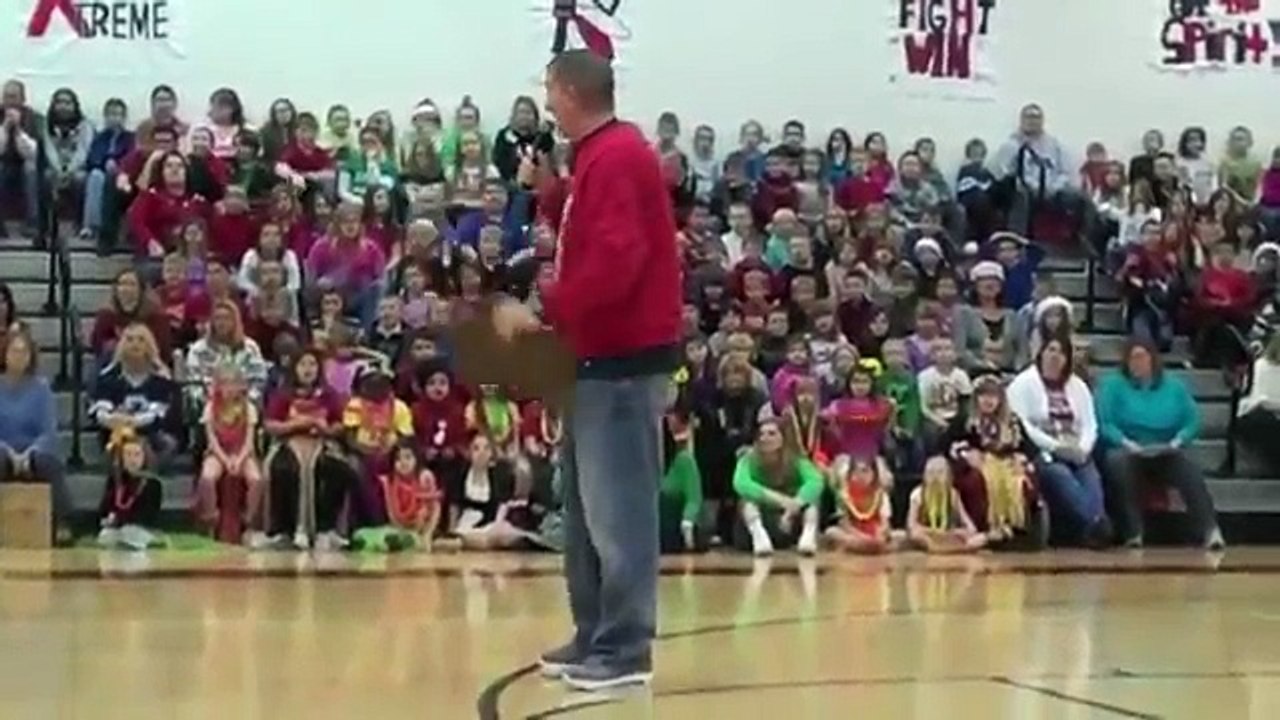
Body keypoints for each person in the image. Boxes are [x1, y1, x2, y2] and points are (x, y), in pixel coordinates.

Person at [491, 50, 681, 691]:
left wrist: (544, 309)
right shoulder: (600, 156)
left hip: (622, 362)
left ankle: (625, 648)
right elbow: (589, 226)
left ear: (571, 91)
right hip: (593, 359)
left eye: (549, 89)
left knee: (618, 512)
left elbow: (616, 263)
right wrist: (550, 192)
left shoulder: (620, 156)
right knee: (584, 511)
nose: (546, 101)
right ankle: (595, 631)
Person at [1096, 340, 1224, 550]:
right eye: (1132, 358)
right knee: (1117, 462)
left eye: (1141, 357)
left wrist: (1178, 441)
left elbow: (1192, 420)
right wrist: (1126, 442)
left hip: (1166, 449)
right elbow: (1105, 423)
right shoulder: (1113, 386)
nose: (1137, 362)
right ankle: (1133, 532)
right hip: (1129, 448)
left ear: (1153, 359)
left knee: (1188, 468)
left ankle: (1210, 530)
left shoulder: (1174, 386)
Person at [1007, 337, 1112, 547]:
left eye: (1061, 352)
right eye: (1051, 350)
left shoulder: (1078, 386)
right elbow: (1023, 425)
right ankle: (1096, 524)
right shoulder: (1022, 384)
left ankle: (1096, 525)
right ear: (1041, 354)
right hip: (1043, 452)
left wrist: (1082, 449)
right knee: (1060, 474)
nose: (1055, 357)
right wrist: (1056, 447)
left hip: (1077, 449)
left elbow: (1090, 424)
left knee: (1091, 476)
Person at [262, 349, 353, 551]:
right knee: (284, 469)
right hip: (289, 442)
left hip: (322, 443)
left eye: (312, 364)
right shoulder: (283, 394)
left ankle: (325, 530)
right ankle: (286, 531)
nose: (308, 369)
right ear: (294, 369)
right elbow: (270, 424)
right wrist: (295, 425)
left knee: (337, 469)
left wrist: (325, 429)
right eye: (303, 364)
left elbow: (339, 425)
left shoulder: (329, 394)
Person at [0, 324, 71, 542]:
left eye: (24, 352)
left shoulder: (41, 388)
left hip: (33, 450)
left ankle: (62, 524)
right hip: (3, 449)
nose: (19, 357)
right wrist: (9, 452)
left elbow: (48, 430)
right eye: (15, 351)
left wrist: (29, 453)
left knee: (49, 463)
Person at [195, 364, 265, 546]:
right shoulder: (210, 408)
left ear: (241, 386)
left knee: (256, 479)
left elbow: (249, 441)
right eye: (225, 384)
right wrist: (226, 461)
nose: (229, 389)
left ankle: (249, 520)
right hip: (218, 452)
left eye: (234, 384)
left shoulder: (249, 408)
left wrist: (239, 459)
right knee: (207, 477)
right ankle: (211, 517)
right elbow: (212, 440)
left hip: (243, 452)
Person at [732, 418, 824, 557]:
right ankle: (760, 539)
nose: (765, 438)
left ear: (783, 438)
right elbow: (741, 484)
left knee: (812, 501)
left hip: (789, 520)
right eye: (761, 434)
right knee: (746, 500)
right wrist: (780, 500)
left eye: (772, 433)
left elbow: (815, 481)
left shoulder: (797, 460)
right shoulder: (747, 459)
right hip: (760, 518)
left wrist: (795, 504)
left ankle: (807, 539)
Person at [88, 323, 178, 463]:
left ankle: (147, 473)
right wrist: (113, 420)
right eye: (130, 339)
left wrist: (131, 422)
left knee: (164, 443)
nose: (135, 344)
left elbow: (159, 415)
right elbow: (99, 411)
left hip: (152, 436)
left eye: (141, 340)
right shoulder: (108, 378)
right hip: (115, 433)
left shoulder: (161, 379)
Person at [96, 431, 163, 551]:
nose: (132, 460)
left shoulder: (153, 483)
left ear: (144, 458)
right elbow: (104, 508)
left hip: (140, 529)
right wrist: (108, 518)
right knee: (106, 536)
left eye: (137, 455)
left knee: (130, 534)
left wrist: (119, 519)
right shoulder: (115, 480)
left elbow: (148, 516)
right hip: (116, 529)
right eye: (128, 455)